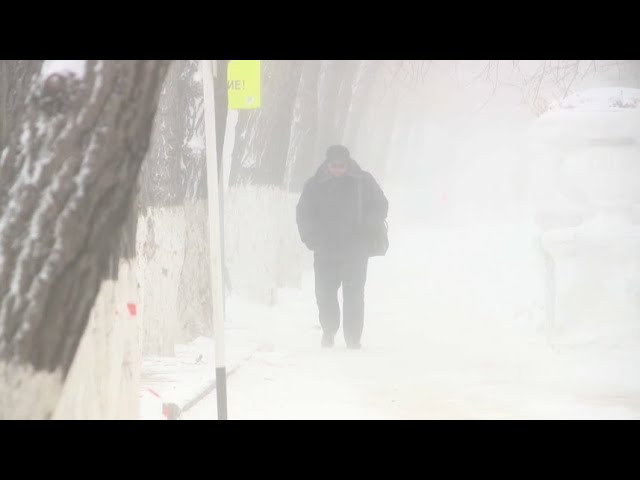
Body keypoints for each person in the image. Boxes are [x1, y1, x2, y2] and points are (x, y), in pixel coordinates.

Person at [296, 145, 388, 349]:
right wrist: (311, 238)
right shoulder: (315, 185)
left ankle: (353, 338)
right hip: (325, 250)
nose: (337, 169)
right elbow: (303, 213)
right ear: (327, 164)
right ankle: (329, 330)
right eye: (334, 166)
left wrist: (370, 224)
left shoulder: (363, 182)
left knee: (354, 295)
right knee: (324, 293)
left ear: (348, 164)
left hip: (356, 249)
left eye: (341, 166)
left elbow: (381, 204)